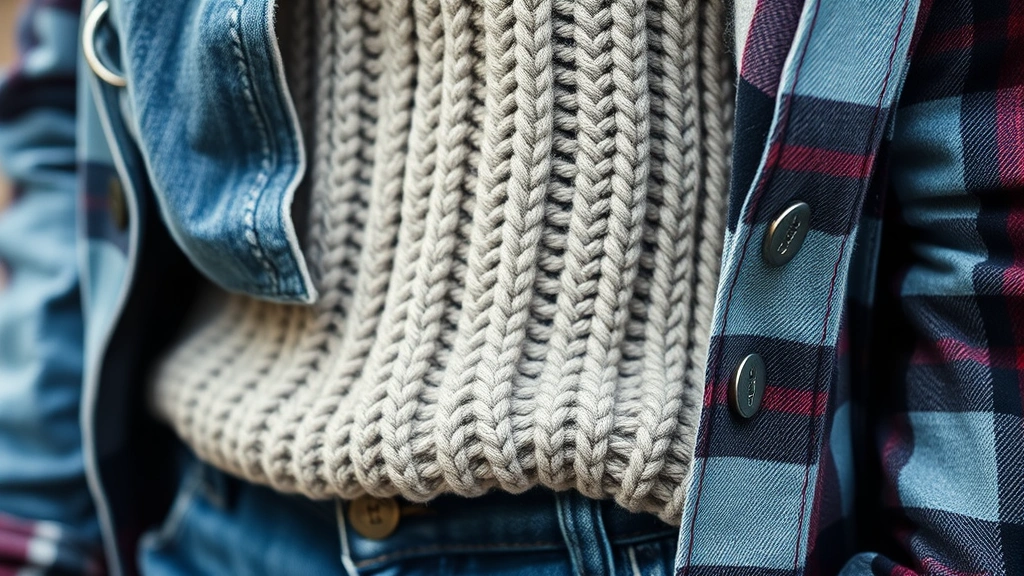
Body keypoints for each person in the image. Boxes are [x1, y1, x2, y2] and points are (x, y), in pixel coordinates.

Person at [0, 0, 1021, 574]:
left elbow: (980, 182)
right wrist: (34, 530)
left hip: (632, 533)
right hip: (214, 514)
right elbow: (68, 105)